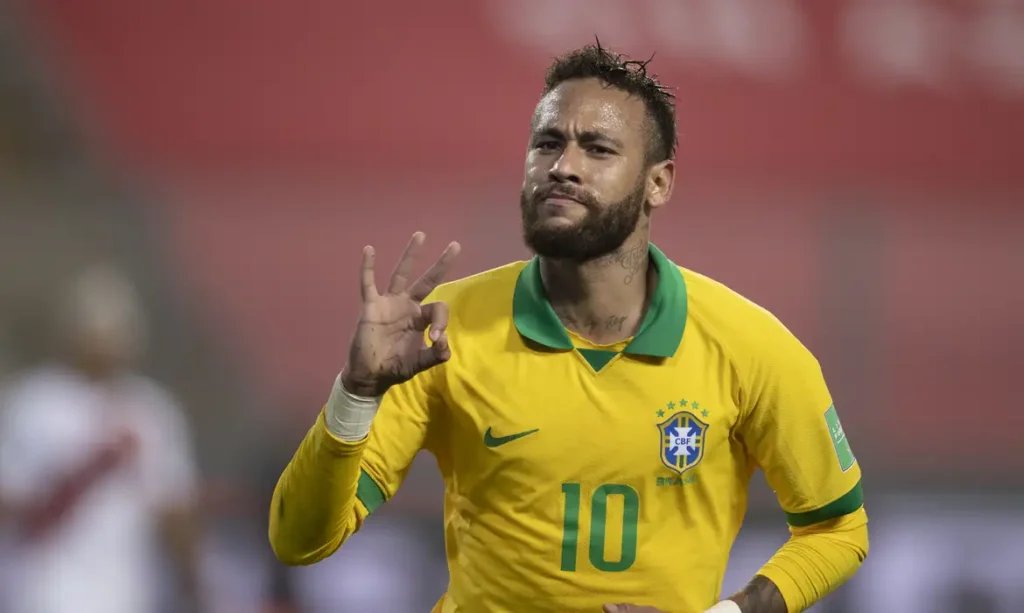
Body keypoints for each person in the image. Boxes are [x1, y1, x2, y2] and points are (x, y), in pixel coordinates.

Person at [269, 43, 868, 613]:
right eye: (547, 143)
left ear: (658, 183)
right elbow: (300, 542)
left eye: (598, 149)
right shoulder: (442, 331)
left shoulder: (751, 347)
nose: (562, 167)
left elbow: (838, 529)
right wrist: (356, 393)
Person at [0, 265, 207, 613]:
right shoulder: (34, 404)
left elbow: (174, 510)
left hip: (126, 592)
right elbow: (10, 499)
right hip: (43, 589)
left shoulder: (150, 409)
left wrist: (195, 584)